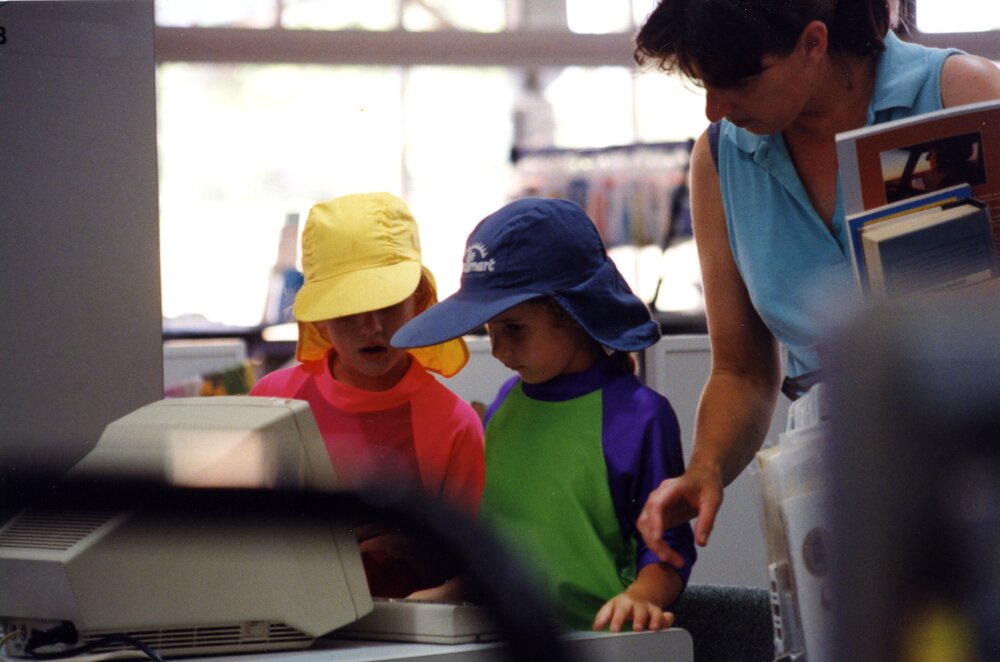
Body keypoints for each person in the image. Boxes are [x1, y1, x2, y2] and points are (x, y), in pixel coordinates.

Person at [631, 0, 1000, 560]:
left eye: (738, 81)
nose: (714, 109)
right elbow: (741, 370)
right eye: (702, 84)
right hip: (835, 477)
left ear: (813, 43)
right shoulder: (723, 158)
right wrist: (704, 467)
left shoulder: (960, 95)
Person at [392, 197, 696, 632]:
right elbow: (504, 547)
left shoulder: (641, 418)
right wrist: (453, 591)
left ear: (575, 312)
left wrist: (640, 599)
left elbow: (668, 548)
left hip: (602, 646)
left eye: (514, 328)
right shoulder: (504, 403)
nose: (497, 350)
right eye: (489, 331)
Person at [250, 191, 485, 597]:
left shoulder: (453, 425)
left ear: (418, 301)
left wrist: (410, 548)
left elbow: (472, 560)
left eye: (387, 302)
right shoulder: (272, 402)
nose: (371, 326)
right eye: (348, 308)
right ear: (319, 320)